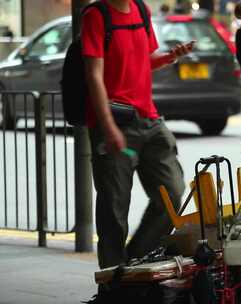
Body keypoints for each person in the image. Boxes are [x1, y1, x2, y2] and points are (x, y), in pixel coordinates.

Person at [81, 0, 193, 270]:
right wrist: (108, 128)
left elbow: (144, 59)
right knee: (114, 212)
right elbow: (94, 76)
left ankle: (132, 263)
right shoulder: (96, 16)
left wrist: (170, 57)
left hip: (150, 120)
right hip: (115, 122)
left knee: (172, 195)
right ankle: (113, 284)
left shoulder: (140, 9)